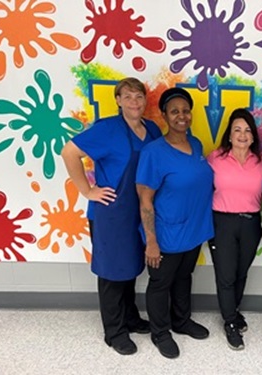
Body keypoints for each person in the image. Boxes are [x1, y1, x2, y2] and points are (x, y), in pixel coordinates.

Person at [61, 77, 162, 355]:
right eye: (127, 96)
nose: (134, 102)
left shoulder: (151, 129)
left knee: (129, 266)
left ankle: (129, 317)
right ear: (117, 100)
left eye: (139, 96)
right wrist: (87, 190)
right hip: (112, 213)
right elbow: (69, 152)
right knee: (111, 271)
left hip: (140, 211)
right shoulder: (106, 129)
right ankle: (114, 331)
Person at [136, 87, 214, 359]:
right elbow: (145, 200)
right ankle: (161, 332)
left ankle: (181, 321)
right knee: (160, 284)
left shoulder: (197, 145)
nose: (181, 116)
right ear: (165, 116)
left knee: (184, 277)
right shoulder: (154, 153)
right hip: (166, 234)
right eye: (174, 111)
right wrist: (151, 241)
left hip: (192, 232)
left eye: (185, 110)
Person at [207, 108, 262, 351]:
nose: (242, 135)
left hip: (250, 223)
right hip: (222, 222)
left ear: (253, 136)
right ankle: (230, 322)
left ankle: (232, 311)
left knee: (241, 273)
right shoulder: (215, 159)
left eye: (247, 130)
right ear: (229, 135)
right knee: (226, 275)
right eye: (237, 130)